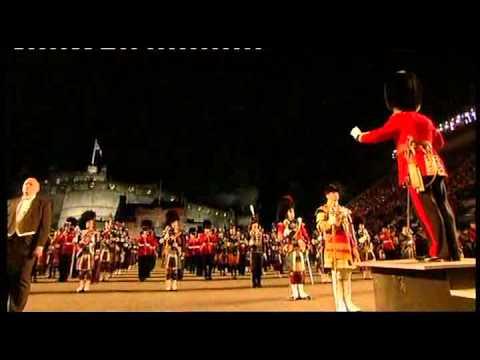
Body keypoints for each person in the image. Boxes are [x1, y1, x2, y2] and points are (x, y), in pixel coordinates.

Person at [351, 70, 462, 261]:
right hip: (436, 166)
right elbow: (440, 142)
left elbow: (379, 134)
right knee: (444, 208)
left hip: (416, 169)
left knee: (427, 211)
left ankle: (438, 251)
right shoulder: (426, 119)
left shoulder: (399, 119)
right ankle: (454, 249)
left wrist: (359, 136)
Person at [7, 177, 52, 312]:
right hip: (9, 242)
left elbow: (45, 226)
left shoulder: (43, 203)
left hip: (28, 245)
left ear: (37, 189)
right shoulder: (12, 202)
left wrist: (40, 245)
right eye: (25, 184)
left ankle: (15, 309)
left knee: (22, 279)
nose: (27, 186)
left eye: (31, 184)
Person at [316, 184, 361, 312]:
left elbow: (351, 231)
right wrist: (330, 222)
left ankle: (349, 302)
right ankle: (340, 304)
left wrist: (354, 247)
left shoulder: (345, 210)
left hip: (346, 246)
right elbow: (320, 227)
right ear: (327, 195)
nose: (335, 195)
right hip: (333, 246)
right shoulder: (322, 210)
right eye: (332, 192)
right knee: (337, 276)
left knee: (347, 275)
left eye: (337, 192)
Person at [75, 211, 97, 293]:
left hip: (90, 253)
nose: (89, 224)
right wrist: (80, 244)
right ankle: (81, 285)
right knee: (81, 271)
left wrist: (96, 252)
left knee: (89, 270)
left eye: (91, 222)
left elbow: (97, 244)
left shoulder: (95, 233)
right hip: (82, 253)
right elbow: (76, 242)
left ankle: (87, 285)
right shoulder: (80, 233)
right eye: (88, 222)